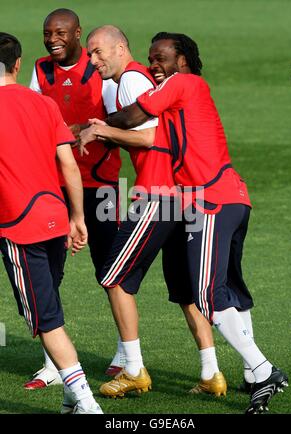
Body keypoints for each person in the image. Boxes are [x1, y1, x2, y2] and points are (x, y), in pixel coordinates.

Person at [84, 31, 289, 414]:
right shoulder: (187, 92)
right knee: (229, 289)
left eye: (160, 58)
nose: (154, 66)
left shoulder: (183, 83)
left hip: (210, 199)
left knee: (207, 294)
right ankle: (246, 372)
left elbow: (134, 118)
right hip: (230, 197)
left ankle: (263, 370)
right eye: (151, 59)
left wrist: (91, 128)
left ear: (182, 61)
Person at [80, 25, 227, 399]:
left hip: (158, 194)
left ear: (119, 49)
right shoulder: (142, 80)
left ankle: (132, 369)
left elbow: (151, 135)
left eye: (98, 52)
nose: (92, 61)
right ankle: (212, 372)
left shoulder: (130, 80)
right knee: (183, 290)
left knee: (112, 277)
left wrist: (100, 132)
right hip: (182, 195)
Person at [0, 32, 102, 414]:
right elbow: (69, 163)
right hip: (55, 216)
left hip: (17, 224)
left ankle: (88, 404)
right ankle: (69, 401)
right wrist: (77, 217)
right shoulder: (43, 104)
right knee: (51, 304)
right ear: (18, 64)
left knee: (46, 318)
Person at [25, 8, 121, 389]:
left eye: (61, 32)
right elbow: (30, 118)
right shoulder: (40, 70)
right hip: (52, 186)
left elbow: (123, 120)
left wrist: (88, 130)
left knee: (112, 271)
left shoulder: (100, 69)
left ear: (78, 33)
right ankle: (51, 363)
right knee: (49, 273)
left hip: (101, 185)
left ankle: (127, 356)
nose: (53, 39)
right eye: (48, 33)